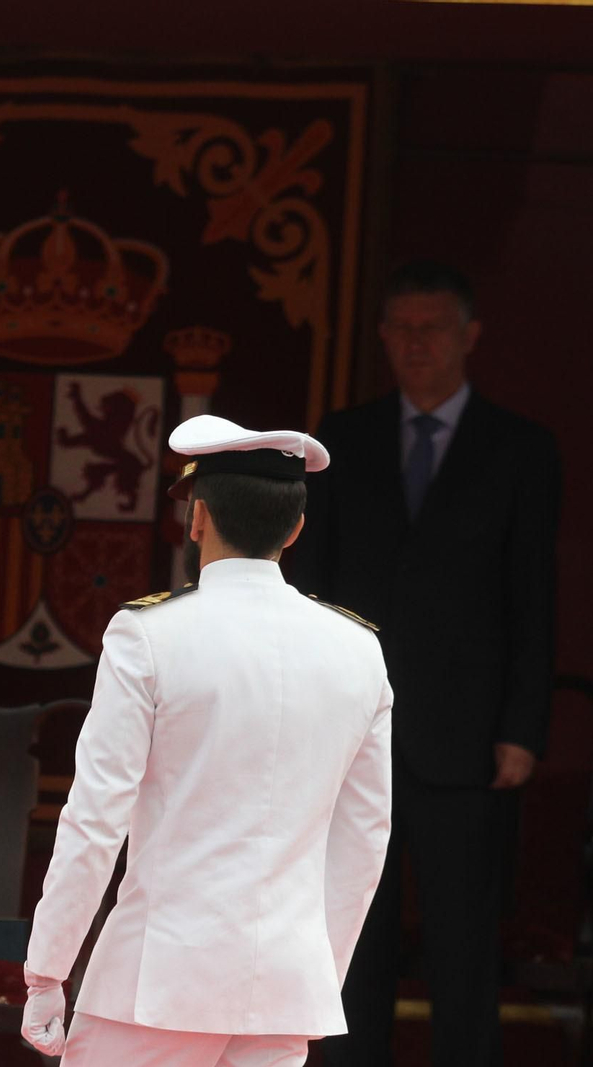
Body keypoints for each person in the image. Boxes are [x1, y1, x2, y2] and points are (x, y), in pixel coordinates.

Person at [21, 414, 394, 1067]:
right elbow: (363, 839)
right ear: (295, 528)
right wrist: (313, 975)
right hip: (284, 982)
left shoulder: (149, 633)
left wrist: (47, 968)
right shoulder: (359, 650)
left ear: (196, 518)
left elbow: (95, 819)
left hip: (157, 978)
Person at [294, 261, 561, 1067]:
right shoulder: (340, 439)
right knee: (350, 943)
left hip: (469, 736)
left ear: (469, 336)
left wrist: (522, 726)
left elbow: (534, 596)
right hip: (352, 731)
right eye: (400, 328)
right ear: (381, 337)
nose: (414, 343)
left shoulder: (520, 448)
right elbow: (309, 587)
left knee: (462, 944)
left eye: (431, 328)